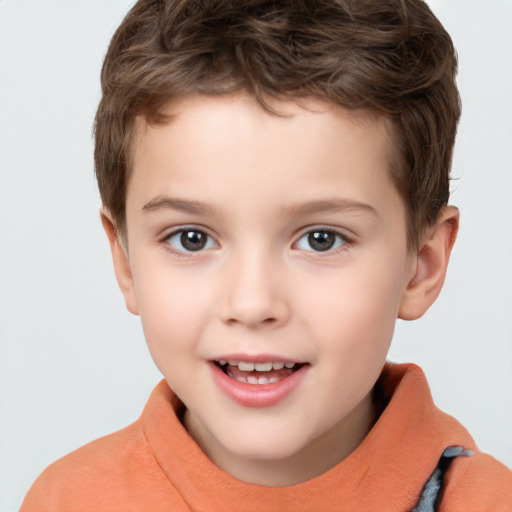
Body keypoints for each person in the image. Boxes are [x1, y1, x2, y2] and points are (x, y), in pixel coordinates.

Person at [20, 0, 512, 510]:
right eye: (192, 238)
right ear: (125, 262)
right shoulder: (70, 499)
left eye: (321, 239)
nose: (253, 303)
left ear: (422, 266)